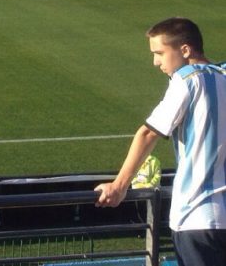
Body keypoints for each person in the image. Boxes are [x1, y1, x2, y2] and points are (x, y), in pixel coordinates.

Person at [95, 17, 226, 266]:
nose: (156, 62)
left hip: (197, 217)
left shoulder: (188, 78)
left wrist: (119, 185)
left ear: (185, 50)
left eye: (160, 53)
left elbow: (148, 133)